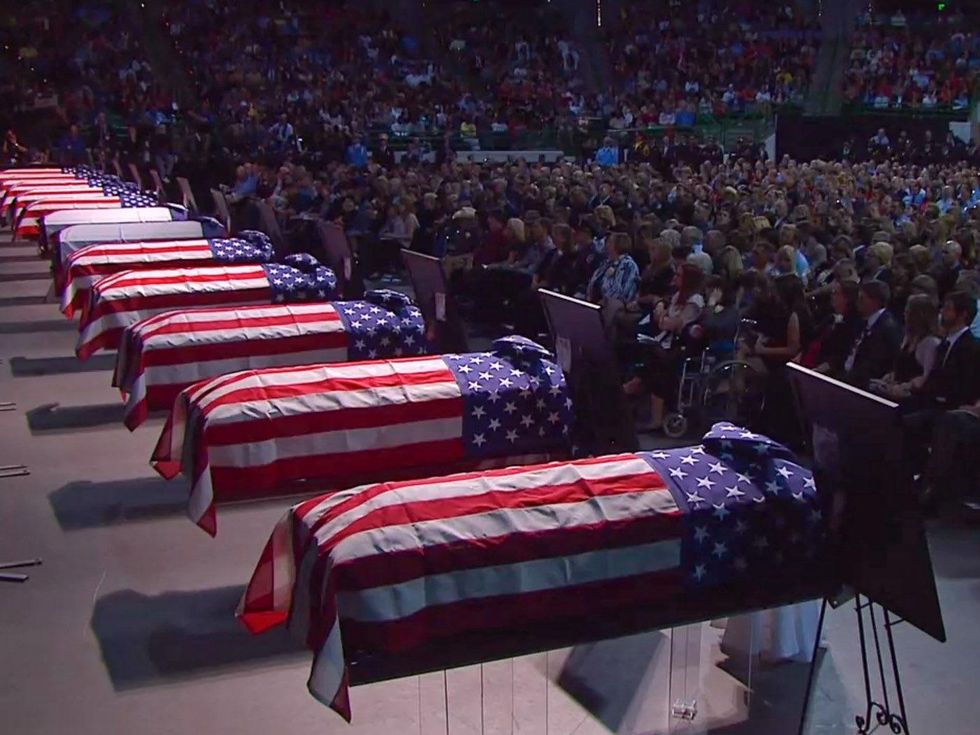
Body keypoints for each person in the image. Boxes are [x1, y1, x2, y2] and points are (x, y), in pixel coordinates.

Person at [869, 295, 941, 400]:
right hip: (895, 388)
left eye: (908, 312)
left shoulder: (930, 343)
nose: (904, 314)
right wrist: (890, 377)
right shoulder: (908, 337)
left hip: (912, 396)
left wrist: (907, 386)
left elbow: (926, 378)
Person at [843, 280, 902, 390]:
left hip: (863, 385)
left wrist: (847, 379)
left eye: (862, 298)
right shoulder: (863, 322)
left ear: (874, 302)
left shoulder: (886, 328)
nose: (857, 302)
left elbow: (874, 364)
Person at [799, 279, 862, 377]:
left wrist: (818, 370)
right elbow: (812, 337)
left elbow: (839, 355)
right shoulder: (830, 317)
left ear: (847, 298)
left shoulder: (852, 324)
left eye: (836, 293)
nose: (832, 296)